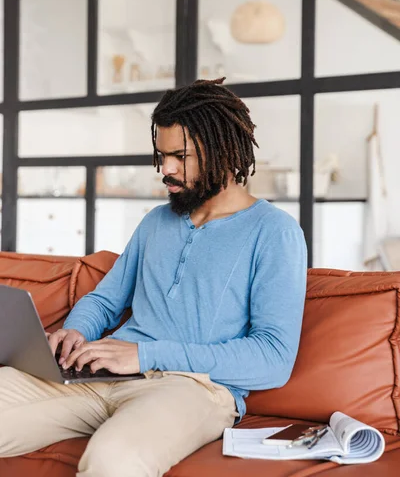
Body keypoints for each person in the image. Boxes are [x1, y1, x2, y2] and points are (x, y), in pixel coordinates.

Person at [0, 77, 307, 477]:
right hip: (99, 376)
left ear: (221, 150)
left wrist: (146, 355)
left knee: (114, 462)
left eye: (180, 156)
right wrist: (76, 332)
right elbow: (105, 301)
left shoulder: (275, 232)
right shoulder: (156, 222)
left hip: (191, 387)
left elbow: (273, 358)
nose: (166, 169)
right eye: (161, 156)